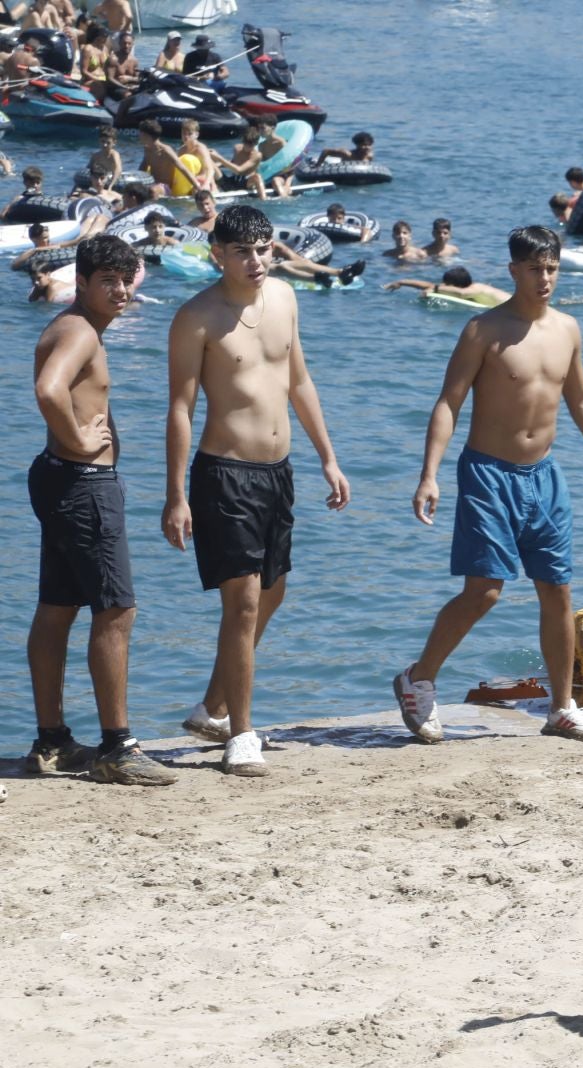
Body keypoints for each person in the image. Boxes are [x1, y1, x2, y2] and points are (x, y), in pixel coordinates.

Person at [391, 225, 583, 746]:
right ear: (514, 271)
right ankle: (418, 678)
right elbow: (448, 402)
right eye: (534, 269)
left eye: (551, 268)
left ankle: (563, 707)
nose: (544, 278)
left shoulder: (567, 329)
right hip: (487, 474)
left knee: (558, 590)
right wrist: (429, 473)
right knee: (485, 592)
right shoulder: (483, 330)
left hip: (544, 477)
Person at [163, 204, 351, 778]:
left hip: (279, 471)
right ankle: (241, 735)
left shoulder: (286, 300)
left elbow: (298, 379)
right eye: (242, 251)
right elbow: (180, 408)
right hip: (224, 474)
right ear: (217, 254)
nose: (255, 261)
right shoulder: (196, 318)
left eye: (264, 248)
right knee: (241, 603)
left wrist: (328, 457)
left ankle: (213, 708)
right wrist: (175, 494)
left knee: (272, 595)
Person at [25, 236, 173, 786]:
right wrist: (80, 444)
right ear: (81, 282)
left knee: (58, 605)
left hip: (62, 479)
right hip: (82, 483)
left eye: (125, 279)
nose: (119, 290)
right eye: (106, 280)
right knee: (116, 610)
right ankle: (118, 746)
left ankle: (53, 741)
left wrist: (71, 447)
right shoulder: (80, 331)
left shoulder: (76, 327)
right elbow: (48, 390)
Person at [384, 267, 510, 305]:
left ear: (456, 285)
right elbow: (431, 285)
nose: (444, 286)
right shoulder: (467, 287)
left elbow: (462, 293)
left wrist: (437, 289)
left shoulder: (476, 288)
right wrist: (402, 282)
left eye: (447, 285)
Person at [88, 125, 123, 190]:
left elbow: (118, 170)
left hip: (111, 181)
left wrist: (111, 185)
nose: (105, 145)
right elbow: (88, 170)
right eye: (103, 141)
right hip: (100, 181)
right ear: (99, 141)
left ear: (114, 143)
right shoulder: (95, 156)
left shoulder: (114, 155)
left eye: (108, 143)